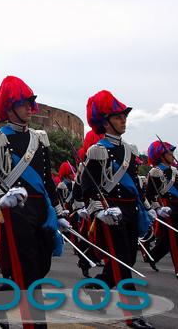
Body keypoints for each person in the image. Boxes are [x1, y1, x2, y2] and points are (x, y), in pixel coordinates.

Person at [0, 76, 68, 329]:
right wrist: (1, 199)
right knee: (29, 271)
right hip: (16, 212)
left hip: (41, 210)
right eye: (24, 102)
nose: (31, 107)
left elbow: (47, 180)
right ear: (9, 107)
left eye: (31, 102)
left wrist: (59, 212)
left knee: (41, 265)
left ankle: (1, 293)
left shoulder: (39, 139)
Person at [81, 90, 153, 329]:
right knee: (123, 264)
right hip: (111, 214)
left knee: (126, 260)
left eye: (124, 116)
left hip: (131, 212)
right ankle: (134, 315)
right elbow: (88, 188)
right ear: (105, 121)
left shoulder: (131, 151)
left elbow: (133, 183)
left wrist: (147, 207)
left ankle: (95, 287)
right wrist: (99, 212)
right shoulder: (97, 150)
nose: (124, 120)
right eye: (118, 116)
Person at [146, 140, 178, 278]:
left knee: (167, 240)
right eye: (169, 152)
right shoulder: (155, 172)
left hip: (177, 205)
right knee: (174, 239)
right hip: (166, 207)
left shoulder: (174, 170)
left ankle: (153, 256)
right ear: (161, 155)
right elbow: (150, 194)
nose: (172, 155)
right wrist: (158, 209)